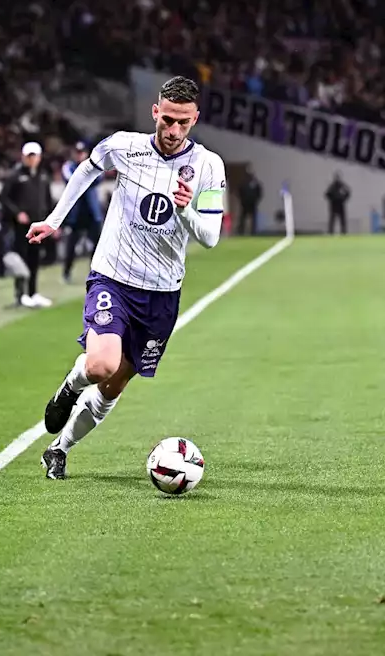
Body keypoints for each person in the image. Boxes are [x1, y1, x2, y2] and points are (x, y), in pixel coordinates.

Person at [25, 76, 226, 480]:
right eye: (167, 119)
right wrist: (53, 220)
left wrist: (186, 210)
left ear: (195, 119)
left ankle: (59, 449)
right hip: (113, 277)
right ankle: (70, 386)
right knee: (100, 366)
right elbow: (86, 170)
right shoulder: (124, 147)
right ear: (155, 111)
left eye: (182, 123)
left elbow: (210, 237)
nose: (172, 131)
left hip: (161, 294)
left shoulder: (208, 166)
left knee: (113, 386)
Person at [0, 142, 55, 308]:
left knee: (35, 260)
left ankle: (32, 292)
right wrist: (17, 213)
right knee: (20, 260)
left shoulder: (43, 177)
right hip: (21, 228)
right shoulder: (15, 176)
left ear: (39, 157)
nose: (32, 159)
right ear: (24, 157)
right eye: (29, 156)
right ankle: (20, 294)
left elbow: (48, 200)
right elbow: (3, 198)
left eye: (34, 156)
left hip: (38, 226)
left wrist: (51, 222)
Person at [60, 141, 104, 284]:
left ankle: (95, 272)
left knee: (97, 247)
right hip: (76, 214)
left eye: (82, 152)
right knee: (71, 247)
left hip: (92, 213)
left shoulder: (94, 166)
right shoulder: (68, 167)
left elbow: (98, 179)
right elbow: (72, 180)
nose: (80, 155)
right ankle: (66, 272)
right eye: (78, 152)